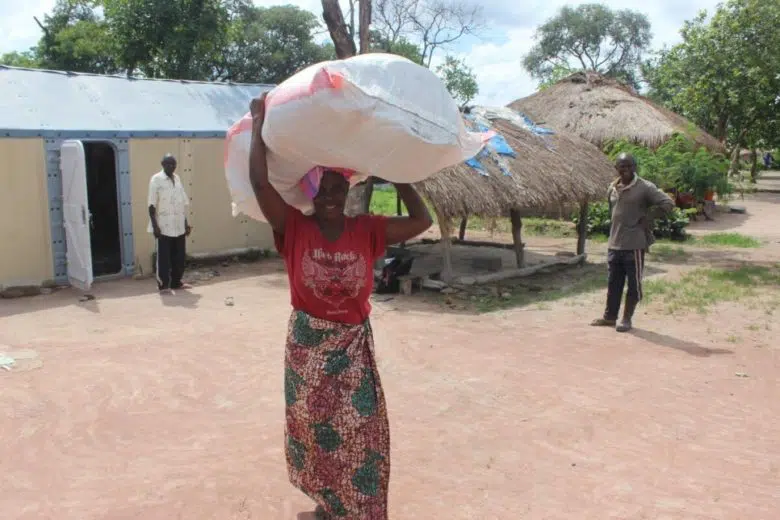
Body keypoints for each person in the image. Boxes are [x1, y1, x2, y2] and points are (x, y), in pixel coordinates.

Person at [249, 92, 432, 519]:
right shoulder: (293, 226)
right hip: (307, 349)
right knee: (315, 431)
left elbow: (422, 221)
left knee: (360, 431)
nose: (331, 196)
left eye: (338, 189)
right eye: (324, 189)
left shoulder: (367, 229)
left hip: (351, 348)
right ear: (313, 191)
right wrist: (259, 124)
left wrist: (395, 173)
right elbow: (260, 184)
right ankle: (326, 504)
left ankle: (357, 508)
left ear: (348, 191)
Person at [591, 153, 675, 333]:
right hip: (614, 244)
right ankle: (609, 317)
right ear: (616, 168)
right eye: (622, 166)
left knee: (634, 284)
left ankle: (627, 318)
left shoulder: (645, 187)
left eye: (629, 166)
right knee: (614, 283)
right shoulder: (612, 188)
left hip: (634, 244)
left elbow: (668, 203)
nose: (626, 169)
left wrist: (650, 217)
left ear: (635, 167)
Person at [147, 154, 192, 294]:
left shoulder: (177, 179)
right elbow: (151, 205)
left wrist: (185, 223)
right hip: (164, 226)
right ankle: (163, 285)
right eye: (168, 164)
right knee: (164, 257)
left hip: (178, 225)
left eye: (173, 164)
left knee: (179, 256)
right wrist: (155, 225)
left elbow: (181, 204)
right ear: (162, 164)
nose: (171, 167)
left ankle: (176, 282)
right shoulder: (156, 179)